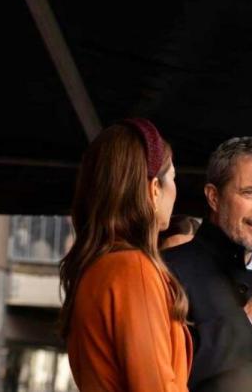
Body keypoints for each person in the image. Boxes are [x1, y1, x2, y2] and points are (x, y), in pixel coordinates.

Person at [59, 118, 192, 392]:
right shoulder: (134, 269)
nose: (176, 191)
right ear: (154, 189)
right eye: (174, 179)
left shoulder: (98, 268)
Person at [163, 137, 252, 392]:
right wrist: (247, 323)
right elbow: (158, 373)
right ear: (214, 197)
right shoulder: (167, 271)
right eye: (250, 193)